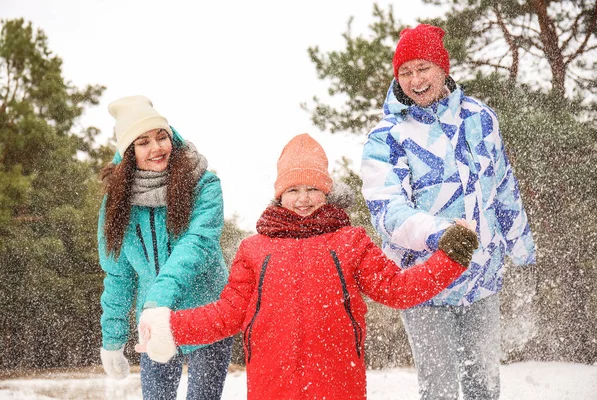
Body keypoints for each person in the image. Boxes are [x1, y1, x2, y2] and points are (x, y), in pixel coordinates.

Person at [134, 133, 478, 400]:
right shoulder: (254, 249)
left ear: (327, 192)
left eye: (313, 188)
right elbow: (228, 313)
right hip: (273, 385)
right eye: (293, 189)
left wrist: (450, 258)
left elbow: (397, 289)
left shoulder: (351, 242)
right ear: (279, 195)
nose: (303, 198)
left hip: (338, 384)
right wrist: (171, 326)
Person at [360, 24, 536, 400]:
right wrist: (440, 234)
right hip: (425, 281)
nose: (415, 80)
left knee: (484, 386)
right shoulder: (388, 136)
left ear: (443, 69)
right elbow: (387, 210)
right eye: (404, 72)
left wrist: (522, 249)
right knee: (438, 388)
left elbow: (503, 185)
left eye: (423, 68)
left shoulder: (481, 118)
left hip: (483, 276)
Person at [97, 95, 233, 399]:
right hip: (153, 324)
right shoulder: (118, 203)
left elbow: (197, 245)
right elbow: (118, 275)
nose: (157, 148)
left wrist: (158, 302)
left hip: (206, 313)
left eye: (162, 136)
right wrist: (113, 339)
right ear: (129, 152)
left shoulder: (203, 184)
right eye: (143, 142)